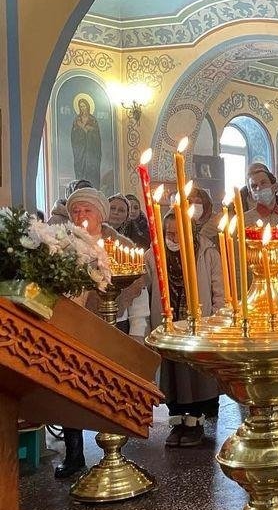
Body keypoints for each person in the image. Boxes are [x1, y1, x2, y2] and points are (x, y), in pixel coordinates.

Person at [55, 188, 146, 478]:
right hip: (69, 325)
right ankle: (74, 453)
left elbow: (137, 290)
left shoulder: (119, 246)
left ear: (100, 214)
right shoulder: (59, 244)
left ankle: (115, 452)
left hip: (111, 327)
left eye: (87, 211)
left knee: (108, 389)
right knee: (68, 389)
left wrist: (137, 331)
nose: (81, 216)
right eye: (76, 211)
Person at [154, 209, 226, 446]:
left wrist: (217, 318)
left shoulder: (207, 253)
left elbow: (219, 289)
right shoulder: (155, 253)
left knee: (194, 376)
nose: (172, 238)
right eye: (168, 233)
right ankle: (176, 423)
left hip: (197, 322)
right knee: (173, 374)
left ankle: (195, 422)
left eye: (177, 233)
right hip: (169, 321)